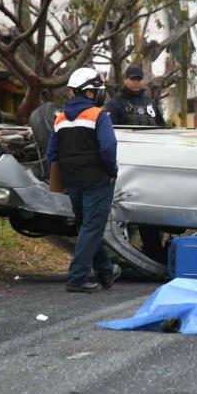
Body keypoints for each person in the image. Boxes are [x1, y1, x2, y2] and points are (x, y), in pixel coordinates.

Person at [46, 67, 122, 293]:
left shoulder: (59, 119)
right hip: (98, 179)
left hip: (73, 182)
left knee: (88, 227)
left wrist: (61, 181)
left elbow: (52, 154)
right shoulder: (98, 116)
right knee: (92, 226)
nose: (100, 94)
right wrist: (112, 171)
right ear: (89, 93)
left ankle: (105, 272)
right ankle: (77, 277)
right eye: (97, 90)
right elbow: (108, 147)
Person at [104, 64, 167, 263]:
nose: (136, 82)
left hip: (152, 163)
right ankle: (120, 254)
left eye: (138, 78)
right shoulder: (116, 104)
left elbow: (162, 127)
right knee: (126, 210)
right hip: (127, 165)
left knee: (151, 210)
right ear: (125, 79)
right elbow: (108, 133)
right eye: (132, 78)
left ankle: (153, 251)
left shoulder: (150, 102)